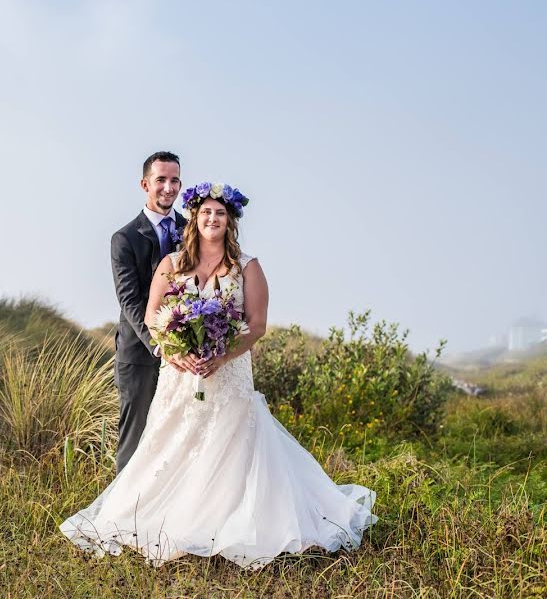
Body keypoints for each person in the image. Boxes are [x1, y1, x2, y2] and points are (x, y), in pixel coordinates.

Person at [61, 183, 377, 569]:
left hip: (228, 376)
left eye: (221, 214)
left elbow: (256, 325)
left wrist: (220, 357)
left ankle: (227, 523)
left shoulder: (248, 267)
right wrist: (177, 353)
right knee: (171, 443)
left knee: (229, 448)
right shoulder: (172, 264)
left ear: (230, 222)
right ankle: (162, 519)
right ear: (194, 218)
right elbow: (152, 319)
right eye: (206, 212)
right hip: (179, 376)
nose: (213, 219)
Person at [110, 151, 188, 473]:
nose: (168, 188)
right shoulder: (124, 238)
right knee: (134, 440)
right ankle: (121, 517)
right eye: (161, 180)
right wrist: (161, 344)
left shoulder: (193, 229)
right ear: (145, 184)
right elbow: (129, 301)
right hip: (140, 353)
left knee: (177, 438)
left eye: (174, 181)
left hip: (186, 356)